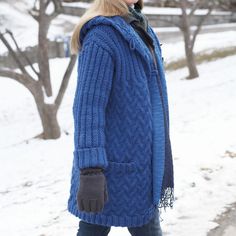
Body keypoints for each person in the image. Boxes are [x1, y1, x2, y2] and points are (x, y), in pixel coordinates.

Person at [67, 0, 175, 235]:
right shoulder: (101, 37)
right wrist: (90, 171)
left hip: (142, 163)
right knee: (94, 228)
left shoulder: (138, 26)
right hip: (109, 168)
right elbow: (88, 109)